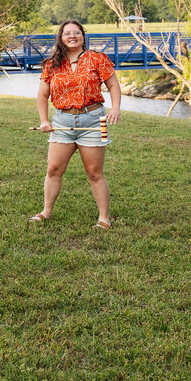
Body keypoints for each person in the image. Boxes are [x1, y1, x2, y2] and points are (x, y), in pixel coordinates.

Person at [30, 19, 122, 228]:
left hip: (92, 120)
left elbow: (113, 85)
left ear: (83, 36)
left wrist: (115, 108)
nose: (72, 36)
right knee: (54, 169)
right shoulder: (52, 64)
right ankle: (46, 212)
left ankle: (103, 218)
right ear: (61, 38)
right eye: (67, 33)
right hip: (62, 121)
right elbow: (42, 95)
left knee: (94, 172)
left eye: (77, 32)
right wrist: (44, 120)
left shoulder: (97, 59)